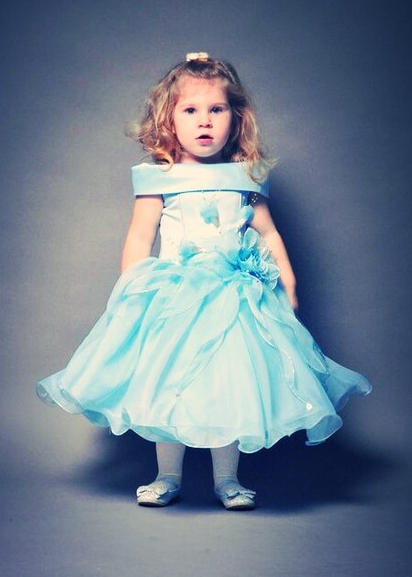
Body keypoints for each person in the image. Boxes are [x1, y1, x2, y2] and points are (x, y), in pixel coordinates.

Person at [36, 52, 372, 510]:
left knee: (229, 386)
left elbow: (269, 232)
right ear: (169, 119)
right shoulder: (159, 177)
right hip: (176, 299)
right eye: (191, 110)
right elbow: (139, 236)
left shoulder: (246, 176)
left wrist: (289, 283)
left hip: (235, 302)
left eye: (216, 109)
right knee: (167, 384)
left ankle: (227, 480)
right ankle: (167, 476)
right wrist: (132, 288)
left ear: (236, 117)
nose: (204, 121)